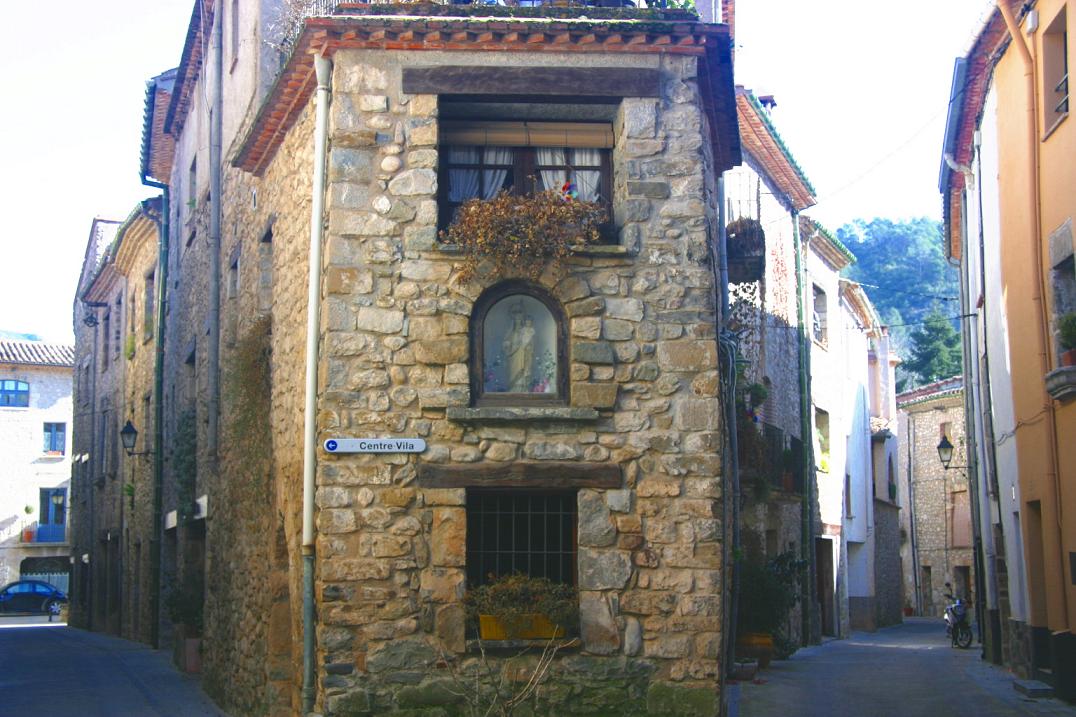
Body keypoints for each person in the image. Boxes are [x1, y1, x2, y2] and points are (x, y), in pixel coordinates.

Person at [503, 302, 535, 392]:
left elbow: (531, 343)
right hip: (513, 355)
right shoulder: (511, 330)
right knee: (513, 372)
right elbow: (506, 341)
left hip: (524, 354)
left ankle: (523, 388)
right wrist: (508, 344)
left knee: (524, 370)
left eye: (520, 313)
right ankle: (513, 389)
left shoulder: (526, 330)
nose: (518, 317)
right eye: (516, 313)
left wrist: (528, 347)